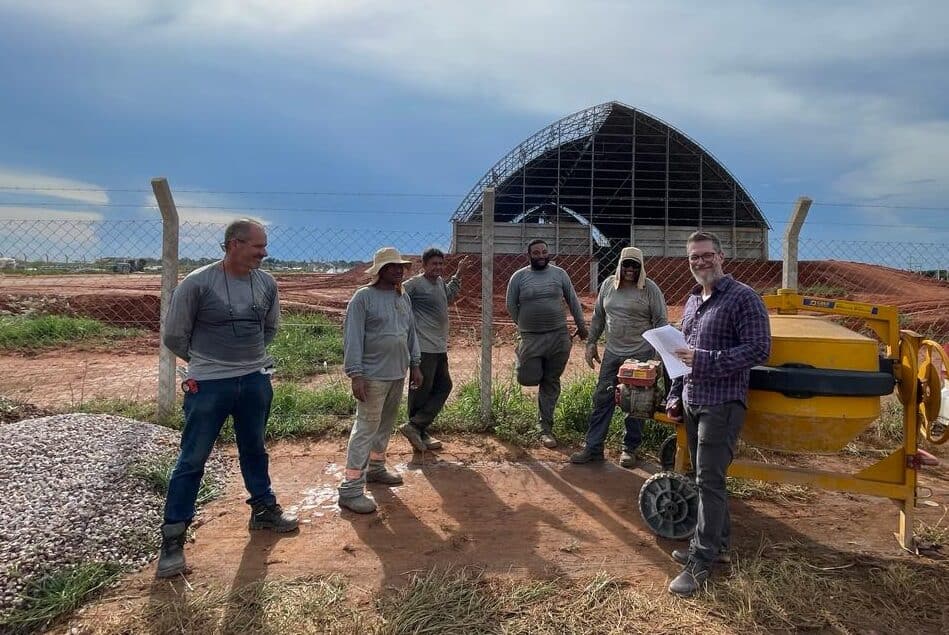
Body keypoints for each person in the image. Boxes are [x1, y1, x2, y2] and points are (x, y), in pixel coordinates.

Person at [157, 219, 298, 579]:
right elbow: (174, 336)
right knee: (192, 458)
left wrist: (246, 361)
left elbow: (270, 328)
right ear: (234, 244)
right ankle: (173, 538)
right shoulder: (198, 284)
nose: (264, 253)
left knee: (255, 448)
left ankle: (263, 509)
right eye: (258, 246)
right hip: (208, 384)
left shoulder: (266, 283)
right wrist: (210, 364)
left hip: (254, 379)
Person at [664, 231, 771, 597]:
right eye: (694, 257)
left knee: (709, 480)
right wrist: (675, 394)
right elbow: (682, 354)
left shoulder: (743, 297)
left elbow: (759, 349)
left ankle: (700, 561)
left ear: (722, 257)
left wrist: (705, 359)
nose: (700, 261)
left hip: (722, 402)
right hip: (693, 398)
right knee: (704, 478)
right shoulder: (693, 300)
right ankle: (719, 546)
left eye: (707, 255)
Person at [338, 247, 423, 514]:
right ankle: (351, 489)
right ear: (380, 271)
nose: (399, 270)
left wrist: (415, 364)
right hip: (372, 376)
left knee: (385, 425)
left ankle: (375, 468)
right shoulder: (363, 298)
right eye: (392, 266)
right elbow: (352, 337)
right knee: (365, 428)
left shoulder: (402, 296)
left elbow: (410, 333)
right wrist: (356, 374)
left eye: (401, 266)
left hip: (397, 373)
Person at [570, 246, 667, 468]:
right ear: (619, 265)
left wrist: (658, 355)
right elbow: (598, 316)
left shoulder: (650, 289)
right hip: (612, 353)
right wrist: (591, 343)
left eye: (635, 265)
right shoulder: (608, 285)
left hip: (640, 355)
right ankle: (593, 448)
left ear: (641, 267)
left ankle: (629, 449)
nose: (630, 269)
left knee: (636, 403)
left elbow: (660, 321)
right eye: (626, 264)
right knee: (602, 399)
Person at [506, 238, 588, 448]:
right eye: (536, 253)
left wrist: (581, 326)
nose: (541, 256)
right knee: (527, 377)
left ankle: (545, 428)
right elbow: (511, 305)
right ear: (529, 255)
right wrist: (524, 325)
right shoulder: (519, 277)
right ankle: (521, 355)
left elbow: (572, 300)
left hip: (558, 336)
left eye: (544, 252)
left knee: (550, 381)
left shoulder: (559, 274)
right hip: (531, 337)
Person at [400, 248, 470, 452]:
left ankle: (417, 427)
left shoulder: (439, 282)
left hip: (438, 346)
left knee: (443, 386)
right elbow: (396, 297)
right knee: (420, 390)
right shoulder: (414, 284)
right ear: (424, 265)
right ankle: (417, 429)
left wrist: (459, 273)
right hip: (423, 347)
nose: (438, 267)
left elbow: (448, 296)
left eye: (440, 263)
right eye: (434, 264)